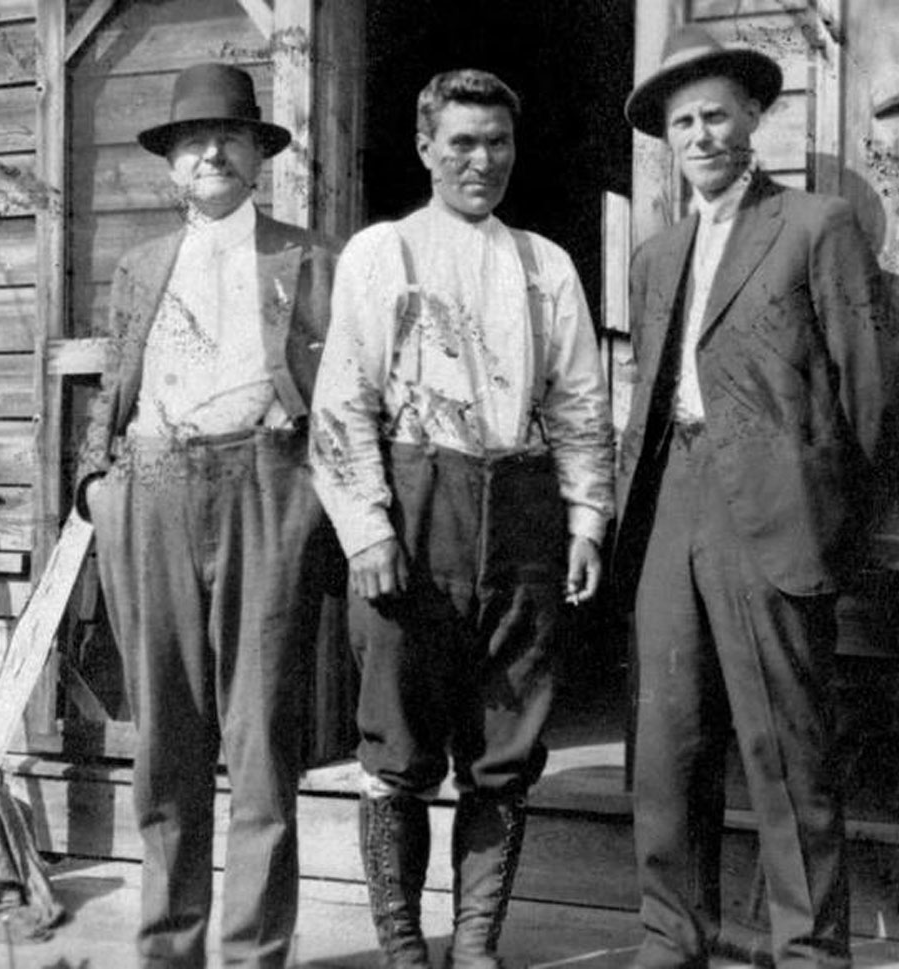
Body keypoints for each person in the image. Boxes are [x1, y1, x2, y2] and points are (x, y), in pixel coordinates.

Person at [614, 26, 899, 969]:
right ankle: (673, 939)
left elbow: (876, 388)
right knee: (666, 745)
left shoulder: (814, 227)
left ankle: (812, 951)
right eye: (683, 123)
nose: (701, 135)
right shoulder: (656, 255)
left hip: (772, 510)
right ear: (668, 140)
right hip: (671, 499)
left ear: (754, 120)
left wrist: (830, 511)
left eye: (716, 115)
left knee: (786, 749)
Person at [309, 68, 614, 969]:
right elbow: (341, 404)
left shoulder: (545, 263)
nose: (482, 161)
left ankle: (476, 943)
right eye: (463, 143)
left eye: (499, 144)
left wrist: (588, 516)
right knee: (398, 744)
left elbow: (580, 405)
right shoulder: (380, 253)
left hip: (519, 509)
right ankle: (405, 948)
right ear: (425, 148)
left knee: (507, 743)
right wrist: (366, 527)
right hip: (414, 502)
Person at [74, 62, 341, 969]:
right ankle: (168, 949)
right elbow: (115, 384)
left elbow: (342, 391)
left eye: (230, 137)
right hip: (150, 490)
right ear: (171, 165)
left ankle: (254, 952)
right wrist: (95, 486)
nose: (211, 152)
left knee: (260, 739)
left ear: (257, 156)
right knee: (165, 739)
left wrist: (311, 497)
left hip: (265, 487)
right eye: (193, 141)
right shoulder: (141, 265)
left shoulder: (307, 256)